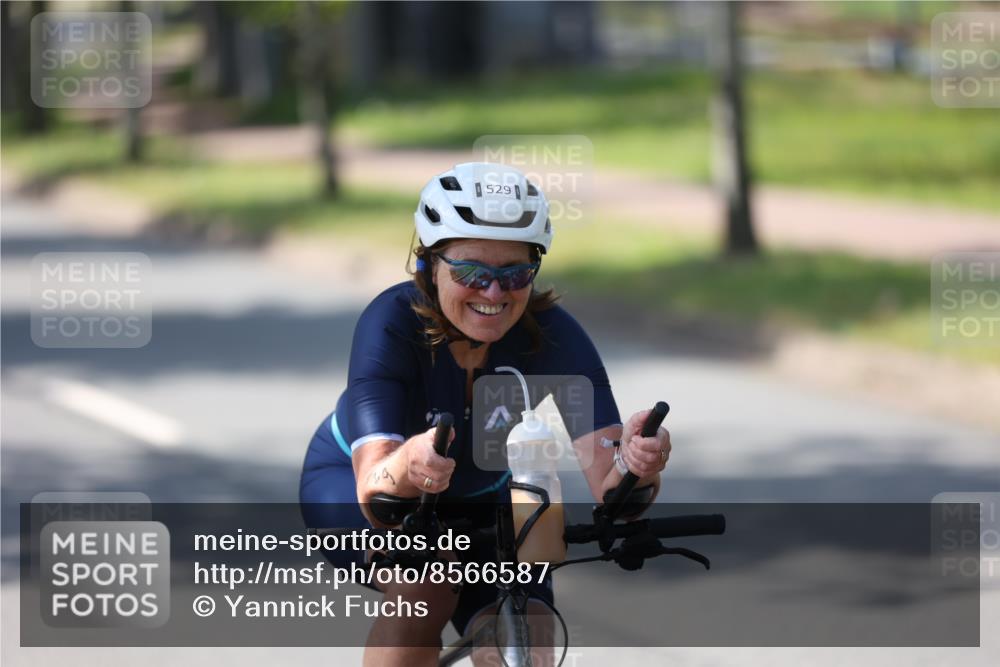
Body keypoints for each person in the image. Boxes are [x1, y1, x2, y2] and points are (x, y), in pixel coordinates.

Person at [299, 162, 671, 667]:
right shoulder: (390, 323)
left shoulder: (554, 335)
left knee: (532, 631)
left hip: (488, 498)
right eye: (471, 272)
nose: (494, 293)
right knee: (427, 587)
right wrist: (410, 461)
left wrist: (638, 464)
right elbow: (375, 491)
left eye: (515, 273)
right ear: (429, 264)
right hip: (354, 483)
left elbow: (613, 487)